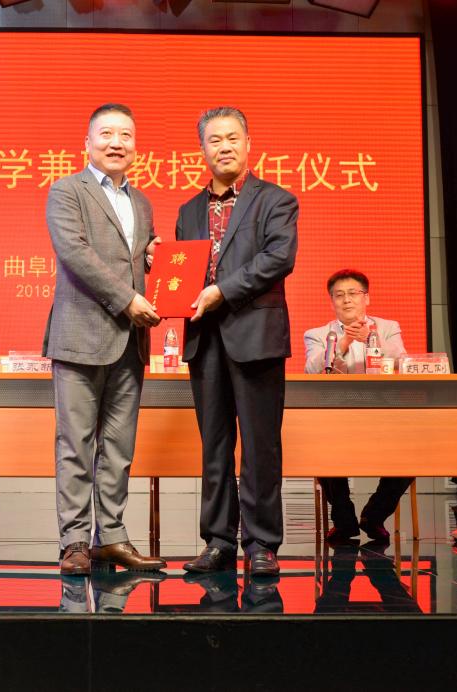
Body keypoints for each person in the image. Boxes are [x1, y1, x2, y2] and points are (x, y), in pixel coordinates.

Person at [175, 106, 298, 577]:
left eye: (232, 138)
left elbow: (278, 258)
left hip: (256, 337)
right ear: (202, 149)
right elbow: (183, 270)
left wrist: (222, 290)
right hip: (204, 340)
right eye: (214, 140)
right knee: (214, 445)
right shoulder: (188, 210)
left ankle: (262, 543)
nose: (224, 147)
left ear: (248, 143)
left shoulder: (276, 200)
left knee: (261, 445)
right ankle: (219, 541)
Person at [44, 103, 166, 576]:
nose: (117, 143)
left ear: (135, 146)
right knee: (76, 444)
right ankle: (75, 541)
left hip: (130, 341)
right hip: (79, 334)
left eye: (126, 135)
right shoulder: (67, 191)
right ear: (88, 142)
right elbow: (75, 253)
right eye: (107, 134)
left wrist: (155, 257)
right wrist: (127, 299)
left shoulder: (142, 202)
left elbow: (138, 257)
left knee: (118, 447)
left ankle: (111, 537)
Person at [303, 269, 411, 544]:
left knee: (411, 456)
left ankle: (374, 515)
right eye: (339, 295)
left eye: (353, 293)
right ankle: (344, 520)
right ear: (332, 301)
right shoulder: (317, 334)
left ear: (367, 298)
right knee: (322, 453)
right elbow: (312, 369)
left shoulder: (388, 327)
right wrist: (345, 341)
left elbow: (402, 362)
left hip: (383, 414)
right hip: (337, 416)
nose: (346, 300)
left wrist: (372, 340)